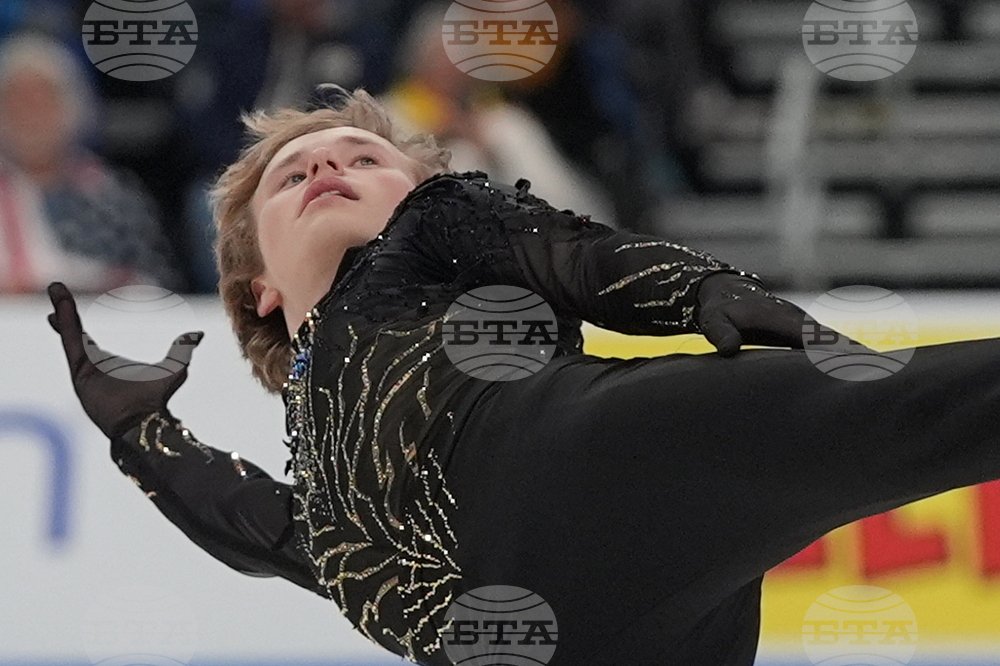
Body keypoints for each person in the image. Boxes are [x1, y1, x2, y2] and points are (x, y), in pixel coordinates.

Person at [46, 87, 1000, 665]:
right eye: (294, 176)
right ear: (256, 287)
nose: (328, 167)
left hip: (590, 461)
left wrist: (698, 290)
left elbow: (565, 253)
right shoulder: (335, 493)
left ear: (417, 191)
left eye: (362, 158)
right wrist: (144, 439)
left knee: (914, 406)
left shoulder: (431, 230)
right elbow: (266, 532)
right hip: (578, 637)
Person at [0, 32, 185, 294]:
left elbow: (157, 279)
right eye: (17, 103)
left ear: (72, 107)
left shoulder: (110, 194)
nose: (31, 116)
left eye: (43, 101)